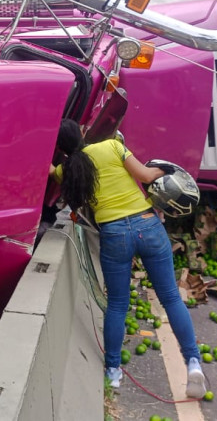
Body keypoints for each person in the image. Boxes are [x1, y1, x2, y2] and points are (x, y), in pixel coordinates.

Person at [50, 119, 206, 398]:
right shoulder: (112, 146)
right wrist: (168, 169)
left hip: (114, 234)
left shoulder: (67, 170)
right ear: (83, 133)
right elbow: (146, 176)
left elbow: (48, 170)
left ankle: (113, 372)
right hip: (148, 225)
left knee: (118, 305)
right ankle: (193, 363)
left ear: (61, 148)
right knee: (170, 297)